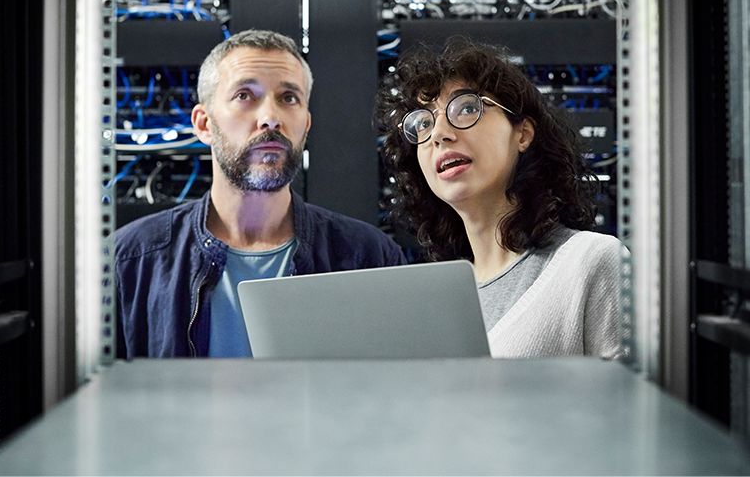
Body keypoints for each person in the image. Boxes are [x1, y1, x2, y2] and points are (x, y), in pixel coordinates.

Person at [116, 29, 407, 358]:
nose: (270, 118)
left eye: (288, 98)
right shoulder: (130, 261)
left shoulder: (369, 260)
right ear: (203, 124)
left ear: (306, 124)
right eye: (244, 95)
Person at [375, 37, 626, 359]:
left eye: (466, 108)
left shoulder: (590, 261)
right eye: (423, 123)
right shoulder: (434, 300)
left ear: (522, 134)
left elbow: (633, 406)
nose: (439, 133)